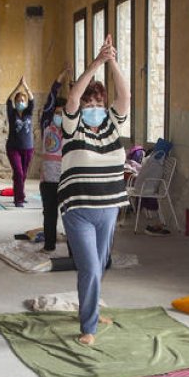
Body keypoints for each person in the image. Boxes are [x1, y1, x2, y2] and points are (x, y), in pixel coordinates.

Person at [59, 35, 130, 345]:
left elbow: (125, 95)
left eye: (98, 102)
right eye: (89, 103)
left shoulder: (113, 125)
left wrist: (112, 60)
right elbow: (72, 99)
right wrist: (95, 64)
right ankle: (88, 327)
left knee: (100, 265)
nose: (93, 107)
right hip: (79, 210)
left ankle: (90, 309)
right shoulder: (73, 127)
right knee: (88, 266)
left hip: (109, 208)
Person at [38, 66, 70, 251]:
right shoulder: (47, 127)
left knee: (70, 216)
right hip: (48, 180)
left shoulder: (71, 130)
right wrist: (59, 81)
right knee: (49, 214)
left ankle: (74, 247)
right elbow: (49, 102)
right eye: (57, 113)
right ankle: (49, 245)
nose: (59, 116)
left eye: (63, 114)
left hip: (67, 180)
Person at [5, 77, 35, 207]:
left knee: (22, 175)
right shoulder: (12, 113)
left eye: (22, 101)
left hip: (28, 148)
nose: (20, 102)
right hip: (13, 148)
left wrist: (26, 87)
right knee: (18, 172)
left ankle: (19, 193)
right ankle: (19, 200)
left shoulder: (29, 112)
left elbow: (33, 99)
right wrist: (18, 87)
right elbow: (8, 100)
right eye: (18, 101)